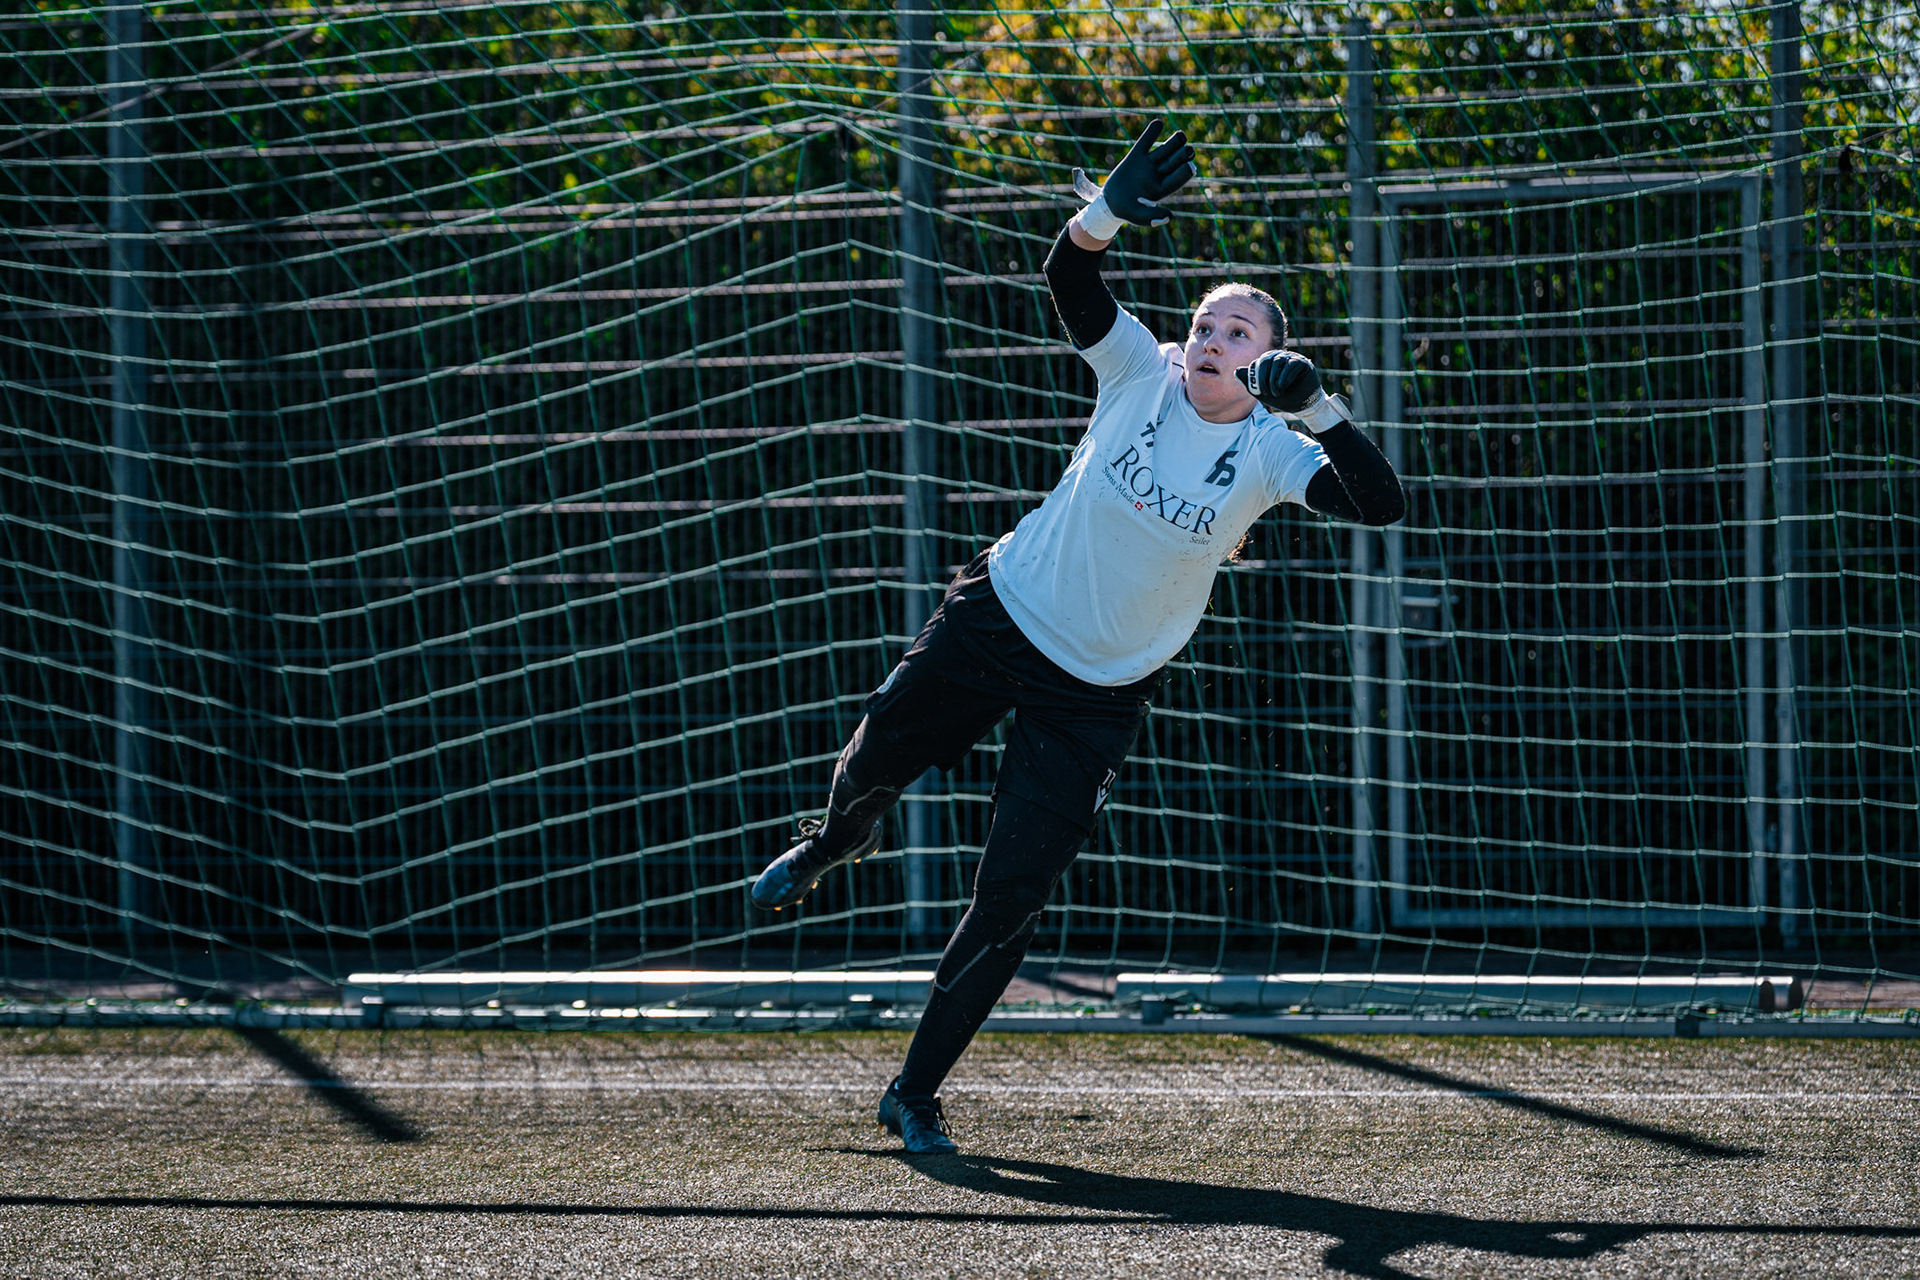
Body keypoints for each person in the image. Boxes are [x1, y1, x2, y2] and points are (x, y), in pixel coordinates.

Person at [752, 121, 1406, 1153]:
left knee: (1009, 895)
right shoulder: (1137, 373)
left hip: (1098, 689)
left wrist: (1323, 408)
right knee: (873, 760)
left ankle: (913, 1091)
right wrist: (1105, 209)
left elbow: (1381, 504)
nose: (1212, 337)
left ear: (1267, 357)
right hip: (1001, 613)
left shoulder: (1280, 449)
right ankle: (831, 845)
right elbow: (1067, 273)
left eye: (1238, 331)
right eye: (1206, 321)